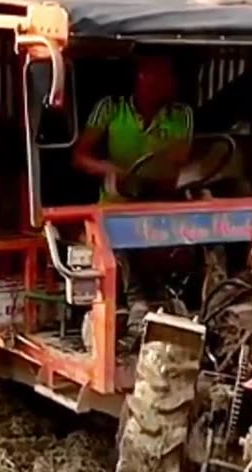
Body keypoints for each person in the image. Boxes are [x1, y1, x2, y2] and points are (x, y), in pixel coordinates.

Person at [73, 53, 195, 339]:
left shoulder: (182, 115)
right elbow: (79, 156)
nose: (164, 83)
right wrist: (109, 169)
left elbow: (181, 163)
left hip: (162, 204)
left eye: (168, 76)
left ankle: (183, 303)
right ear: (140, 78)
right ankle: (136, 303)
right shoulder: (110, 109)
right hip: (116, 205)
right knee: (115, 237)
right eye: (156, 75)